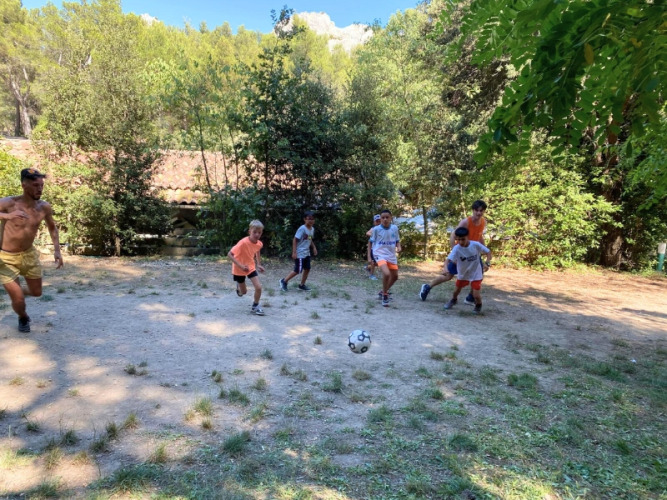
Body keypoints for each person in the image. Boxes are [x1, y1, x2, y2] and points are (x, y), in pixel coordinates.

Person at [0, 168, 64, 333]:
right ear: (24, 185)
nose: (40, 189)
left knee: (36, 292)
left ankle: (16, 293)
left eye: (42, 185)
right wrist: (7, 216)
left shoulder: (44, 207)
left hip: (29, 255)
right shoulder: (9, 203)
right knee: (19, 300)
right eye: (36, 185)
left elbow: (52, 228)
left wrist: (57, 251)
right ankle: (23, 316)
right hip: (6, 258)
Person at [419, 199, 488, 303]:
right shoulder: (466, 222)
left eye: (481, 210)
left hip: (473, 254)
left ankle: (470, 297)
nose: (478, 213)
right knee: (448, 275)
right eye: (476, 210)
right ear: (473, 210)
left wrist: (484, 249)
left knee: (479, 275)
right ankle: (427, 287)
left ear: (484, 211)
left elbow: (480, 236)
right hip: (461, 253)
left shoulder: (483, 222)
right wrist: (454, 254)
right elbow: (453, 235)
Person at [442, 226, 491, 314]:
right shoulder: (457, 248)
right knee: (456, 291)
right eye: (458, 240)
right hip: (463, 273)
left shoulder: (475, 245)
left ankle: (478, 305)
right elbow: (447, 260)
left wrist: (487, 263)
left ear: (467, 237)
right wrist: (445, 268)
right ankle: (453, 300)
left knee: (476, 295)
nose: (461, 242)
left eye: (463, 239)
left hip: (476, 272)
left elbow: (488, 252)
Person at [228, 220, 266, 316]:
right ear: (249, 232)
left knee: (258, 287)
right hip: (239, 268)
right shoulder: (243, 243)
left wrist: (258, 264)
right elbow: (230, 254)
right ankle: (239, 287)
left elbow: (257, 250)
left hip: (250, 267)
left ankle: (255, 306)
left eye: (259, 232)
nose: (257, 235)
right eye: (254, 232)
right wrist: (241, 266)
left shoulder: (259, 243)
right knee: (243, 292)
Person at [369, 209, 401, 307]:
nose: (385, 219)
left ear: (391, 218)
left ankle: (383, 291)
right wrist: (369, 256)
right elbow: (370, 242)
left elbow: (397, 240)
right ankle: (385, 295)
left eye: (387, 217)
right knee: (386, 273)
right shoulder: (376, 229)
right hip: (379, 254)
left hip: (391, 255)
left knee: (395, 277)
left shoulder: (394, 228)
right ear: (381, 219)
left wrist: (399, 247)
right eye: (383, 217)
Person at [279, 211, 317, 292]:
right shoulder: (302, 228)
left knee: (307, 268)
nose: (311, 220)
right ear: (304, 219)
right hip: (300, 253)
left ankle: (302, 285)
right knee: (298, 270)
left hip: (306, 253)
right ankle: (284, 281)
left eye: (312, 219)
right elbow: (295, 240)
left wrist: (314, 247)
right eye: (309, 219)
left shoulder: (312, 229)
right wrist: (294, 252)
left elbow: (309, 239)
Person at [365, 214, 381, 280]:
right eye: (377, 221)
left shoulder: (383, 229)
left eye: (379, 221)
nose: (378, 222)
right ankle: (371, 275)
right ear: (374, 222)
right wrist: (373, 235)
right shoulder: (373, 229)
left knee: (378, 263)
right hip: (373, 249)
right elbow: (367, 233)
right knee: (374, 262)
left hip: (380, 249)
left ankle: (368, 267)